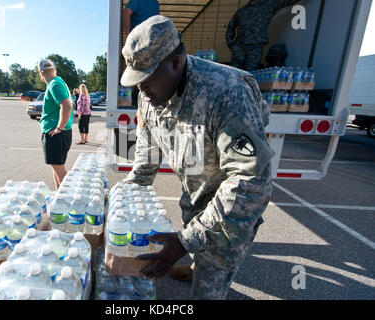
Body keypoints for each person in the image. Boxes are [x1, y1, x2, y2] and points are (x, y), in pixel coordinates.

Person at [120, 15, 275, 300]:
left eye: (148, 78)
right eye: (136, 80)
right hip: (195, 192)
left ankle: (202, 267)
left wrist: (183, 242)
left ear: (176, 62)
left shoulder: (227, 91)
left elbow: (250, 184)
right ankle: (196, 262)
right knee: (195, 235)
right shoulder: (149, 92)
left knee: (207, 291)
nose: (140, 88)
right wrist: (128, 193)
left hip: (230, 211)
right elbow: (147, 143)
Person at [226, 0, 301, 71]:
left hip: (255, 46)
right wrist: (231, 44)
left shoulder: (268, 4)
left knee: (249, 74)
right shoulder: (242, 10)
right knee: (236, 72)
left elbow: (286, 1)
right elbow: (231, 27)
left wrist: (231, 44)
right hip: (240, 46)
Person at [38, 59, 74, 190]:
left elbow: (66, 105)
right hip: (60, 132)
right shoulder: (59, 82)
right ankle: (59, 197)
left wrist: (59, 127)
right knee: (56, 167)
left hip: (56, 133)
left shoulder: (54, 84)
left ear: (41, 72)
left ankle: (67, 200)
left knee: (59, 169)